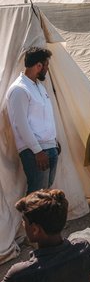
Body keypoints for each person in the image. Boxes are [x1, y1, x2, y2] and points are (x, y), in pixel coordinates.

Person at [0, 190, 90, 282]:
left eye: (24, 221)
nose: (22, 225)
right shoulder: (83, 249)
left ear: (35, 229)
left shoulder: (22, 274)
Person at [6, 47, 58, 194]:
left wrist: (53, 142)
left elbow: (44, 117)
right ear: (39, 66)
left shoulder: (39, 87)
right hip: (35, 151)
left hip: (49, 148)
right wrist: (38, 151)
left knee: (45, 195)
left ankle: (40, 218)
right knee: (37, 196)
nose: (47, 69)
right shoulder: (19, 89)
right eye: (46, 65)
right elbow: (21, 125)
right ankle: (30, 218)